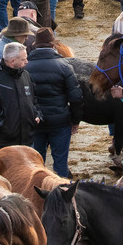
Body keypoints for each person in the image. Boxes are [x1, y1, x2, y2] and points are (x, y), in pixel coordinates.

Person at [25, 26, 82, 177]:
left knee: (36, 163)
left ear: (35, 45)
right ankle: (62, 193)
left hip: (35, 121)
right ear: (53, 45)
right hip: (60, 121)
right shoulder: (65, 66)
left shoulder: (25, 67)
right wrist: (75, 121)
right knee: (60, 163)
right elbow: (75, 97)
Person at [0, 42, 40, 154]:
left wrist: (37, 114)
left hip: (27, 141)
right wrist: (1, 124)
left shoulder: (25, 75)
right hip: (2, 144)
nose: (27, 62)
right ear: (12, 61)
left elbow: (33, 99)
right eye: (24, 59)